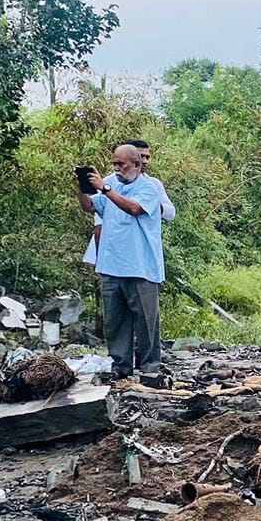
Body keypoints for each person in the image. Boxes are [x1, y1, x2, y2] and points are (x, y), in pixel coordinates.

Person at [77, 143, 164, 380]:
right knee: (115, 322)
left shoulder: (149, 188)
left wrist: (104, 189)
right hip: (111, 265)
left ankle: (149, 367)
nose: (116, 168)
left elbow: (134, 208)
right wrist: (82, 187)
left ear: (136, 164)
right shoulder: (110, 183)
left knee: (147, 321)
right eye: (114, 163)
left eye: (121, 164)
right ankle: (121, 366)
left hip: (140, 265)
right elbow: (90, 207)